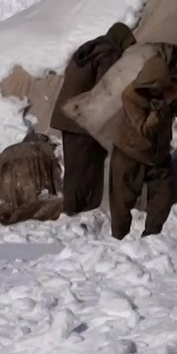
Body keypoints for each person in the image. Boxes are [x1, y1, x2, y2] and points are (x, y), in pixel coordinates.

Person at [110, 44, 177, 240]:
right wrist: (162, 104)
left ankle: (151, 241)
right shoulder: (131, 95)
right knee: (122, 204)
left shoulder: (172, 89)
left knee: (162, 200)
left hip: (159, 155)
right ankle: (118, 243)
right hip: (129, 154)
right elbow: (145, 129)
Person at [51, 22, 136, 216]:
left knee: (76, 168)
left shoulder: (90, 51)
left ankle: (74, 211)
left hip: (67, 116)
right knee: (85, 171)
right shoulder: (109, 55)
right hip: (81, 121)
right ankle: (76, 213)